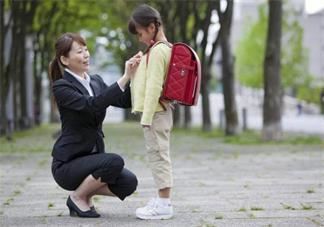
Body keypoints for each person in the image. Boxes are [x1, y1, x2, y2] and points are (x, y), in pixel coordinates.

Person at [49, 32, 141, 218]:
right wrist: (124, 77)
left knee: (129, 183)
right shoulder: (62, 86)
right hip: (67, 165)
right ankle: (77, 197)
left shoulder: (96, 81)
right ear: (65, 59)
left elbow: (123, 100)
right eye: (79, 51)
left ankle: (85, 193)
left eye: (86, 49)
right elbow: (92, 105)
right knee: (114, 161)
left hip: (92, 159)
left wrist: (138, 75)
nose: (86, 54)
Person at [128, 4, 174, 220]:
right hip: (159, 112)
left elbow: (154, 86)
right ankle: (162, 198)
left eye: (140, 33)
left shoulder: (158, 51)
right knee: (157, 154)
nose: (140, 38)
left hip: (156, 113)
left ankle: (164, 204)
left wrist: (146, 118)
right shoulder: (164, 48)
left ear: (152, 27)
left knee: (158, 156)